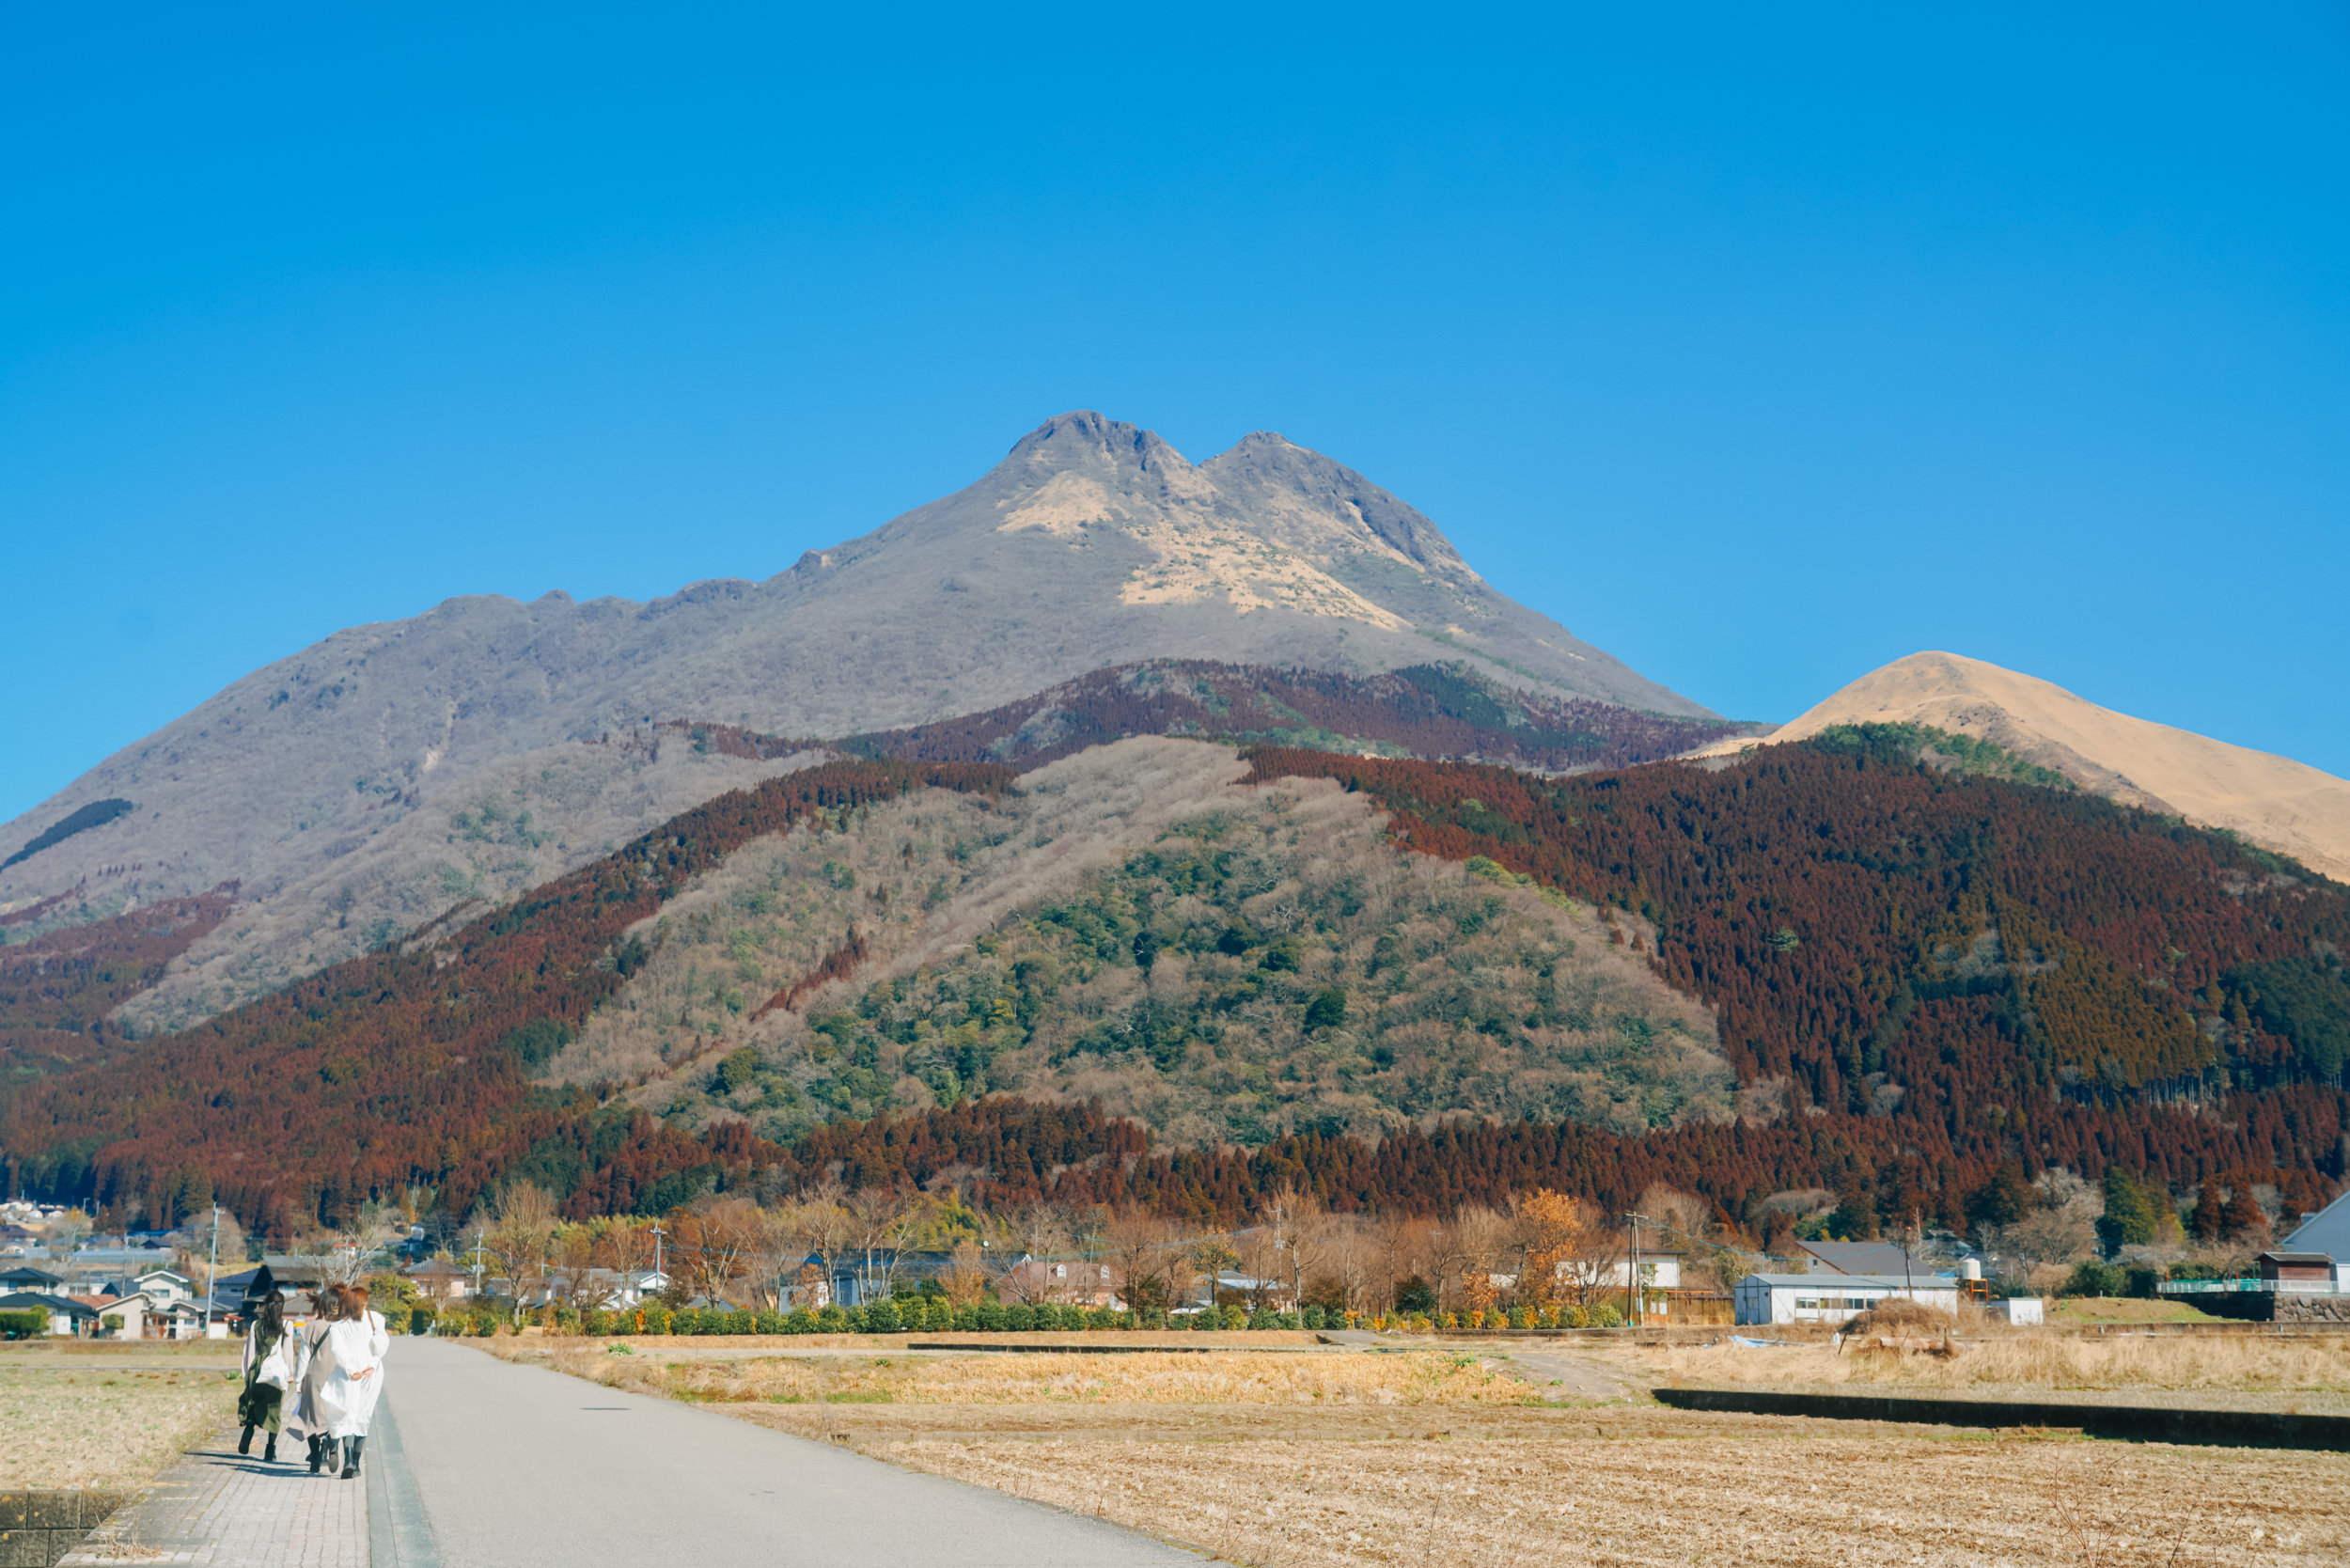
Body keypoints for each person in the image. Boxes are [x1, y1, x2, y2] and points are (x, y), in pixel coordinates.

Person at [321, 1282, 392, 1479]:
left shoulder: (338, 1326)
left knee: (349, 1414)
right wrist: (374, 1363)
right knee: (363, 1415)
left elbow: (338, 1351)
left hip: (349, 1375)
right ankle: (356, 1465)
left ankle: (349, 1461)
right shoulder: (375, 1318)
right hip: (372, 1374)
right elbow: (382, 1343)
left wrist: (351, 1370)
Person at [236, 1292, 300, 1463]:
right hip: (276, 1373)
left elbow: (249, 1351)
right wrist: (290, 1373)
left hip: (257, 1370)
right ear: (282, 1306)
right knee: (274, 1410)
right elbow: (287, 1351)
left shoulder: (256, 1324)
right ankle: (270, 1449)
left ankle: (249, 1430)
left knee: (253, 1403)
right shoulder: (286, 1325)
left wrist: (247, 1374)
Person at [294, 1287, 343, 1475]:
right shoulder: (344, 1327)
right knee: (334, 1416)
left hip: (315, 1377)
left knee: (311, 1420)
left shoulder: (311, 1327)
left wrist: (298, 1382)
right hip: (337, 1377)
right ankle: (330, 1444)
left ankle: (314, 1459)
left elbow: (303, 1357)